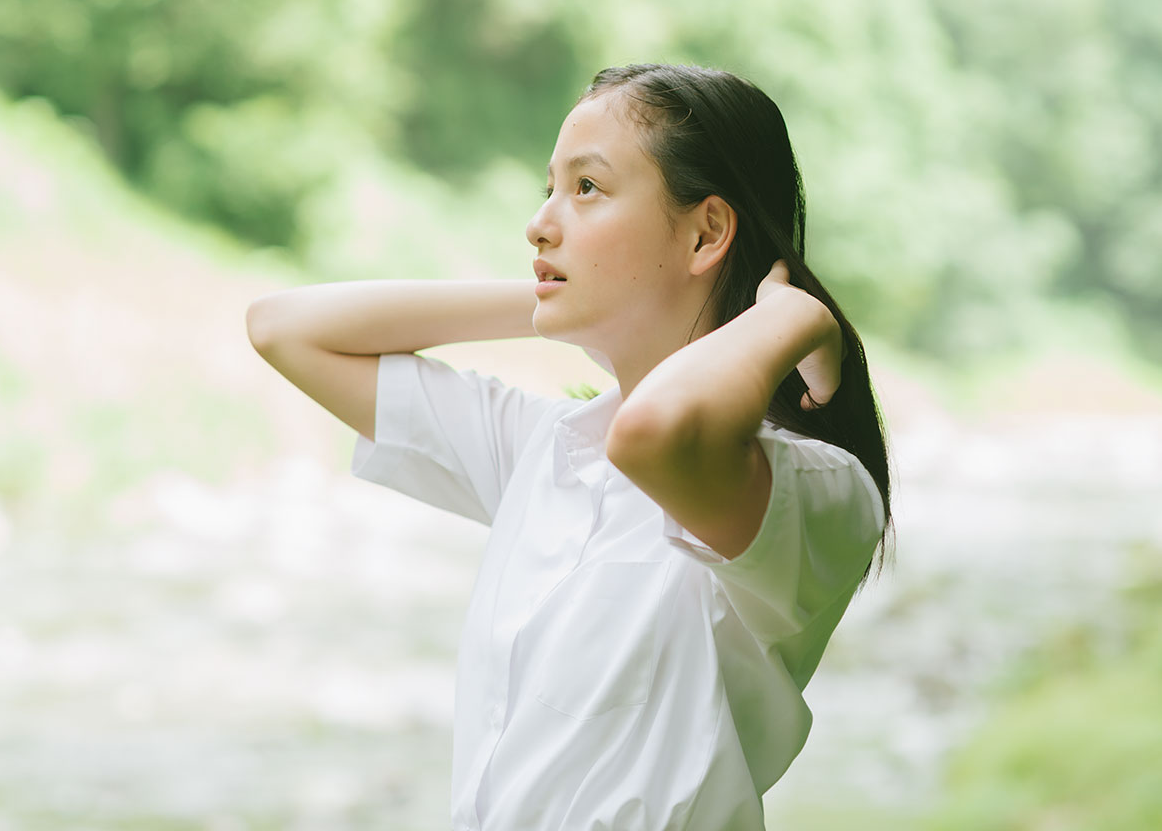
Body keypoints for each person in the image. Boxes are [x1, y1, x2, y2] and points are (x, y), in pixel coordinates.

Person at [246, 63, 894, 830]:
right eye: (549, 187)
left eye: (587, 188)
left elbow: (657, 440)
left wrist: (788, 318)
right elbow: (285, 329)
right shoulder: (547, 449)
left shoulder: (813, 491)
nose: (540, 222)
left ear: (707, 231)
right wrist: (557, 293)